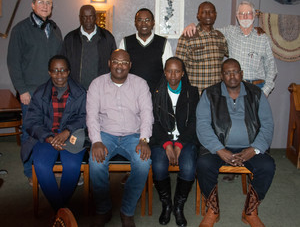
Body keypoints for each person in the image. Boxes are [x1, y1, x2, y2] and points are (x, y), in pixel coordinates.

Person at [196, 58, 275, 227]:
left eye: (235, 72)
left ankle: (250, 211)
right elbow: (202, 125)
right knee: (203, 164)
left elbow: (267, 125)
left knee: (268, 165)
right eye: (227, 72)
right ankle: (213, 210)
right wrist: (219, 149)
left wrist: (253, 150)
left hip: (250, 147)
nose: (232, 76)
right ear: (221, 76)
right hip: (218, 147)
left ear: (241, 74)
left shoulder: (257, 94)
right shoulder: (209, 94)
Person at [86, 49, 153, 227]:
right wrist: (96, 141)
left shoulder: (140, 84)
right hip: (106, 134)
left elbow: (147, 114)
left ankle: (127, 210)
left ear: (130, 65)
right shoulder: (96, 84)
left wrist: (144, 139)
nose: (119, 66)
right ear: (109, 63)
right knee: (95, 162)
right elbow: (91, 116)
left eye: (124, 62)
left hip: (134, 135)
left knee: (143, 162)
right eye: (116, 61)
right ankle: (104, 208)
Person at [7, 0, 63, 184]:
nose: (45, 6)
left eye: (49, 3)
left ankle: (50, 167)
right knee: (31, 133)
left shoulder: (55, 29)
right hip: (30, 93)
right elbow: (13, 62)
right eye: (41, 2)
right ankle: (30, 172)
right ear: (33, 5)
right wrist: (22, 90)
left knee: (52, 132)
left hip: (53, 93)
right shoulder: (20, 29)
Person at [22, 55, 87, 212]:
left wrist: (67, 131)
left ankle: (59, 209)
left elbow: (85, 117)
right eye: (55, 71)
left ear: (69, 71)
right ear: (49, 72)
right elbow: (31, 122)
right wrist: (49, 137)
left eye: (63, 70)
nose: (60, 75)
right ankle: (61, 209)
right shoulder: (39, 93)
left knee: (72, 166)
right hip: (46, 137)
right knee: (41, 165)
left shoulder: (80, 92)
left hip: (71, 136)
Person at [183, 1, 277, 97]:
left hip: (257, 87)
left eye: (248, 14)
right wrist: (192, 25)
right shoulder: (229, 32)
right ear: (237, 16)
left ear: (253, 15)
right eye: (242, 14)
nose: (245, 17)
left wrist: (266, 90)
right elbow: (208, 29)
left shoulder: (262, 37)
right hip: (234, 87)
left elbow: (271, 66)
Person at [150, 57, 199, 227]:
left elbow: (194, 122)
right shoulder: (155, 92)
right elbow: (153, 122)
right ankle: (166, 205)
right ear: (164, 72)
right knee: (158, 166)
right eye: (169, 70)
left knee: (188, 168)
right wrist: (166, 144)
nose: (173, 75)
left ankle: (178, 206)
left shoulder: (191, 92)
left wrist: (179, 144)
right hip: (161, 139)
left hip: (186, 139)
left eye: (177, 71)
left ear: (183, 73)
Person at [175, 1, 228, 94]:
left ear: (215, 15)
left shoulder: (220, 37)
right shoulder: (187, 36)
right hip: (196, 93)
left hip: (217, 93)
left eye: (211, 12)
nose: (208, 14)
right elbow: (178, 66)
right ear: (198, 16)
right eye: (203, 12)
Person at [61, 4, 117, 90]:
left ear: (95, 17)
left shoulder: (107, 37)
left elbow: (114, 64)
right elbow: (64, 65)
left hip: (101, 90)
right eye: (84, 17)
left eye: (91, 16)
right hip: (75, 90)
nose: (88, 20)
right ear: (80, 18)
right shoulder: (70, 38)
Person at [119, 8, 173, 93]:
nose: (143, 24)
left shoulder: (163, 43)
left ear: (153, 23)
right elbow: (120, 70)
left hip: (156, 94)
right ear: (135, 23)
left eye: (147, 20)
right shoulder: (125, 42)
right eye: (140, 20)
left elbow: (169, 71)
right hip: (131, 93)